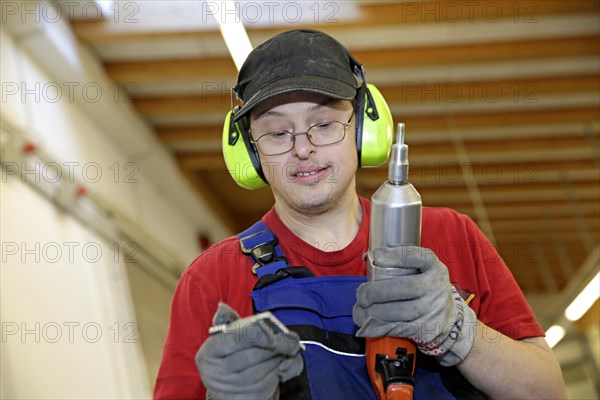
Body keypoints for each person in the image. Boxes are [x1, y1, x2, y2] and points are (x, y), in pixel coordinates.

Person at [154, 29, 567, 400]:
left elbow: (549, 393)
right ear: (250, 153)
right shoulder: (213, 278)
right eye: (277, 132)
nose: (303, 148)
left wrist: (459, 332)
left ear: (364, 129)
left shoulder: (448, 234)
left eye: (325, 124)